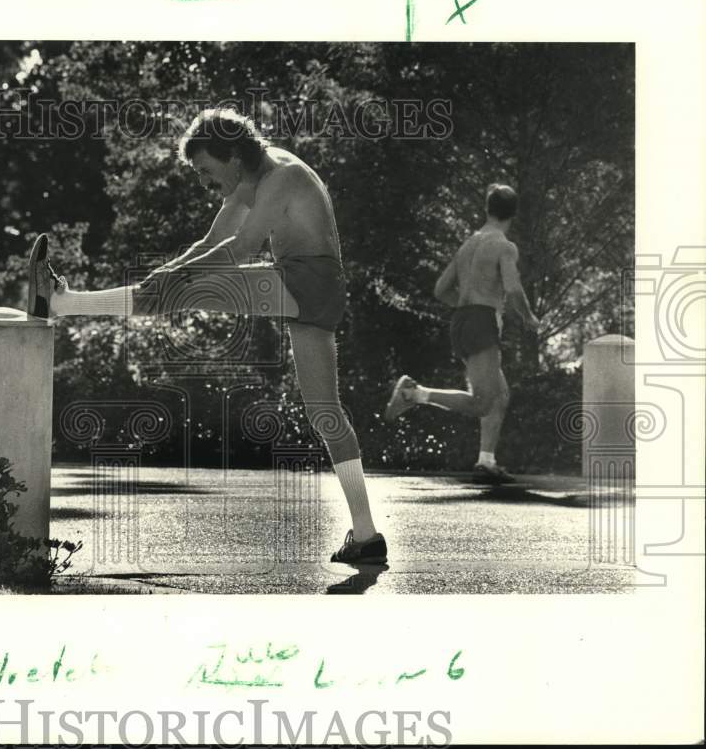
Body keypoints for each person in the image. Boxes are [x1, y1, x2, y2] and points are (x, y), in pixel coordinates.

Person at [29, 108, 386, 565]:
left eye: (205, 171)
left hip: (309, 280)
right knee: (325, 414)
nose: (202, 182)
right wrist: (170, 270)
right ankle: (367, 534)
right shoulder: (247, 179)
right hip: (313, 288)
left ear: (233, 156)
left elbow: (239, 249)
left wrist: (174, 278)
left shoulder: (282, 176)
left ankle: (61, 303)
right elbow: (211, 240)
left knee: (181, 290)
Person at [383, 183, 541, 480]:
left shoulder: (469, 244)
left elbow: (441, 290)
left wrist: (469, 309)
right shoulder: (504, 246)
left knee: (500, 395)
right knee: (483, 403)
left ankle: (486, 461)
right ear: (513, 214)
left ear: (487, 209)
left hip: (462, 321)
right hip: (480, 323)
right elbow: (513, 288)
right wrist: (528, 318)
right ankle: (413, 394)